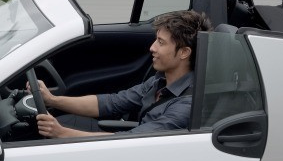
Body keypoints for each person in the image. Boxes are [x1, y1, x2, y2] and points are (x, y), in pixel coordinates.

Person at [32, 10, 211, 138]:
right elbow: (111, 103)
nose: (152, 47)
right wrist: (52, 100)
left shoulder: (187, 106)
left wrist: (62, 133)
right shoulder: (159, 81)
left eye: (161, 42)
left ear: (184, 52)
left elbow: (132, 141)